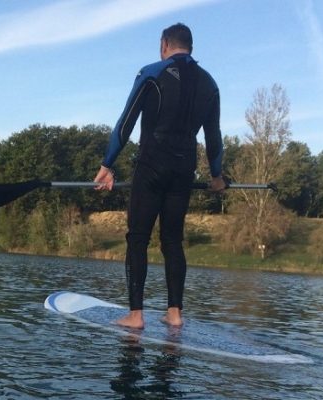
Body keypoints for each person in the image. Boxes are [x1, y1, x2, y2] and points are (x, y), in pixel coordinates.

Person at [93, 23, 226, 329]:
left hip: (151, 166)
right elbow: (214, 137)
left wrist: (107, 164)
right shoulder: (210, 84)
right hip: (183, 171)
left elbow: (125, 122)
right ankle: (175, 313)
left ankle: (136, 316)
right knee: (172, 241)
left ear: (165, 44)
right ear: (190, 46)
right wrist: (217, 176)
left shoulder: (151, 73)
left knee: (138, 238)